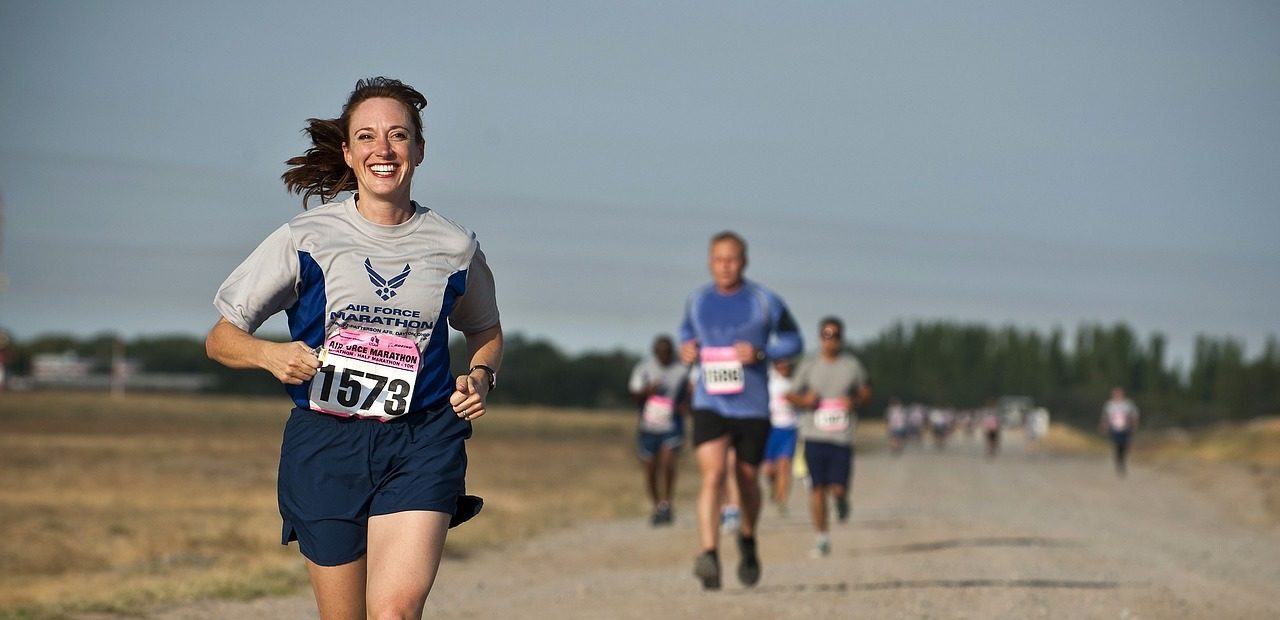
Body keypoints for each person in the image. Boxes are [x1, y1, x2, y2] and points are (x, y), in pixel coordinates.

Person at [205, 77, 503, 620]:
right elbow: (221, 338)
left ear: (419, 149)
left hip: (422, 440)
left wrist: (480, 376)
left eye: (398, 135)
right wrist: (272, 356)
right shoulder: (306, 237)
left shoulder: (454, 246)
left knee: (393, 612)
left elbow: (485, 330)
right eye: (366, 137)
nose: (382, 149)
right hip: (326, 444)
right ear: (347, 151)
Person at [679, 231, 803, 590]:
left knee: (747, 479)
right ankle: (709, 554)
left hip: (751, 406)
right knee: (713, 475)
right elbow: (686, 335)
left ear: (744, 263)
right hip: (710, 402)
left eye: (732, 260)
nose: (725, 266)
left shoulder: (765, 301)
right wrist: (686, 349)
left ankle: (747, 539)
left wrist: (763, 353)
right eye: (718, 259)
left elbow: (794, 340)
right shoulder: (698, 301)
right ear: (709, 262)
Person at [788, 317, 869, 558]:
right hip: (813, 434)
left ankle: (842, 500)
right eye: (827, 334)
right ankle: (822, 537)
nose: (831, 340)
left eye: (836, 335)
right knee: (816, 488)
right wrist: (804, 401)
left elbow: (866, 391)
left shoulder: (851, 366)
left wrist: (853, 401)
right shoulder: (809, 366)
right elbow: (790, 394)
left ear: (842, 338)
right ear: (820, 337)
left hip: (841, 437)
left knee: (837, 488)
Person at [628, 335, 690, 526]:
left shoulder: (681, 370)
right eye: (660, 352)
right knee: (651, 468)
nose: (664, 355)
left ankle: (667, 503)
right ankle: (656, 506)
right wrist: (648, 392)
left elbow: (691, 392)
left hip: (671, 426)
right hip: (648, 427)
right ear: (655, 352)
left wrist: (685, 406)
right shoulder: (643, 369)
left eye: (667, 352)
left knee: (668, 462)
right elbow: (633, 394)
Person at [761, 357, 799, 515]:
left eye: (787, 362)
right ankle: (772, 485)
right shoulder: (768, 380)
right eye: (780, 363)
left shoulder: (797, 382)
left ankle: (782, 501)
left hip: (790, 428)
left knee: (784, 465)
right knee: (768, 470)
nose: (784, 366)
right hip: (770, 428)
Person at [1100, 387, 1140, 477]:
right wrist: (1103, 426)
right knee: (1117, 444)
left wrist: (1134, 424)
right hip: (1114, 428)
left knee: (1124, 445)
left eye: (1119, 394)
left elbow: (1134, 415)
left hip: (1125, 428)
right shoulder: (1109, 405)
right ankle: (1119, 461)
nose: (1117, 395)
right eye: (1115, 394)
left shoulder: (1128, 404)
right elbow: (1105, 417)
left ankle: (1121, 459)